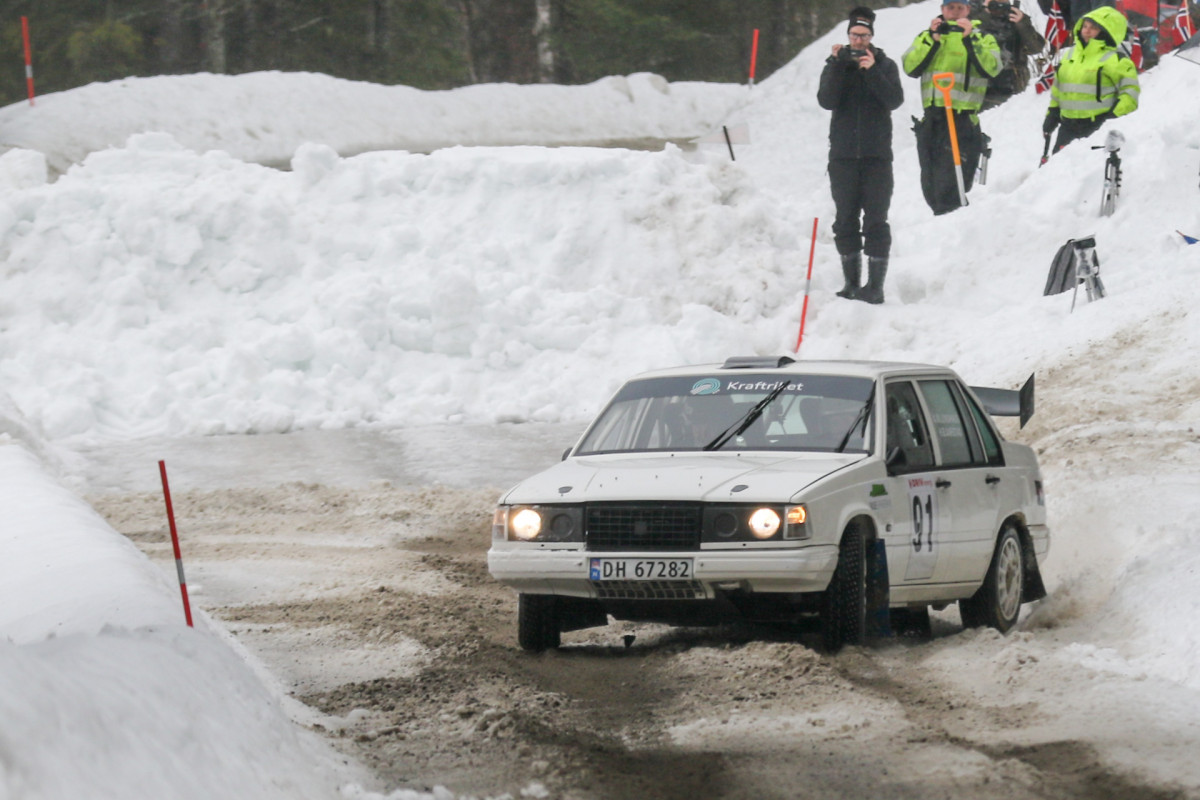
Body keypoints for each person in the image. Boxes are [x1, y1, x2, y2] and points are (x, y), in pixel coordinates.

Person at [817, 6, 905, 304]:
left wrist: (872, 70)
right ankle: (851, 283)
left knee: (876, 221)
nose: (859, 42)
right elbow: (826, 100)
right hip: (842, 157)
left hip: (877, 158)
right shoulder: (837, 64)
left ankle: (875, 286)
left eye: (864, 36)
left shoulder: (885, 65)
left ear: (872, 37)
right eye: (855, 35)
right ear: (848, 35)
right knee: (845, 220)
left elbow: (894, 100)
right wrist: (837, 64)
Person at [903, 0, 1002, 215]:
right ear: (942, 10)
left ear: (968, 10)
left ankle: (953, 221)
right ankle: (941, 221)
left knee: (950, 182)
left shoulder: (982, 37)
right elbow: (910, 66)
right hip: (933, 118)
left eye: (960, 8)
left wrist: (968, 40)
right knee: (930, 181)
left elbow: (992, 68)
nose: (955, 13)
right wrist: (933, 40)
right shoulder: (927, 36)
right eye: (950, 8)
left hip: (961, 117)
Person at [1042, 6, 1139, 154]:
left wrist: (1112, 116)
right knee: (1054, 173)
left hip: (1096, 128)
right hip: (1067, 127)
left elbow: (1130, 93)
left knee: (1084, 174)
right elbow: (1059, 89)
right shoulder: (1069, 55)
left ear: (1106, 31)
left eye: (1093, 28)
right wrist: (1053, 113)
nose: (1086, 31)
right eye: (1084, 26)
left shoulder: (1116, 59)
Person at [970, 0, 1046, 109]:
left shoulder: (1014, 16)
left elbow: (1036, 48)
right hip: (981, 88)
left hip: (1013, 86)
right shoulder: (972, 15)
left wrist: (1022, 24)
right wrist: (985, 13)